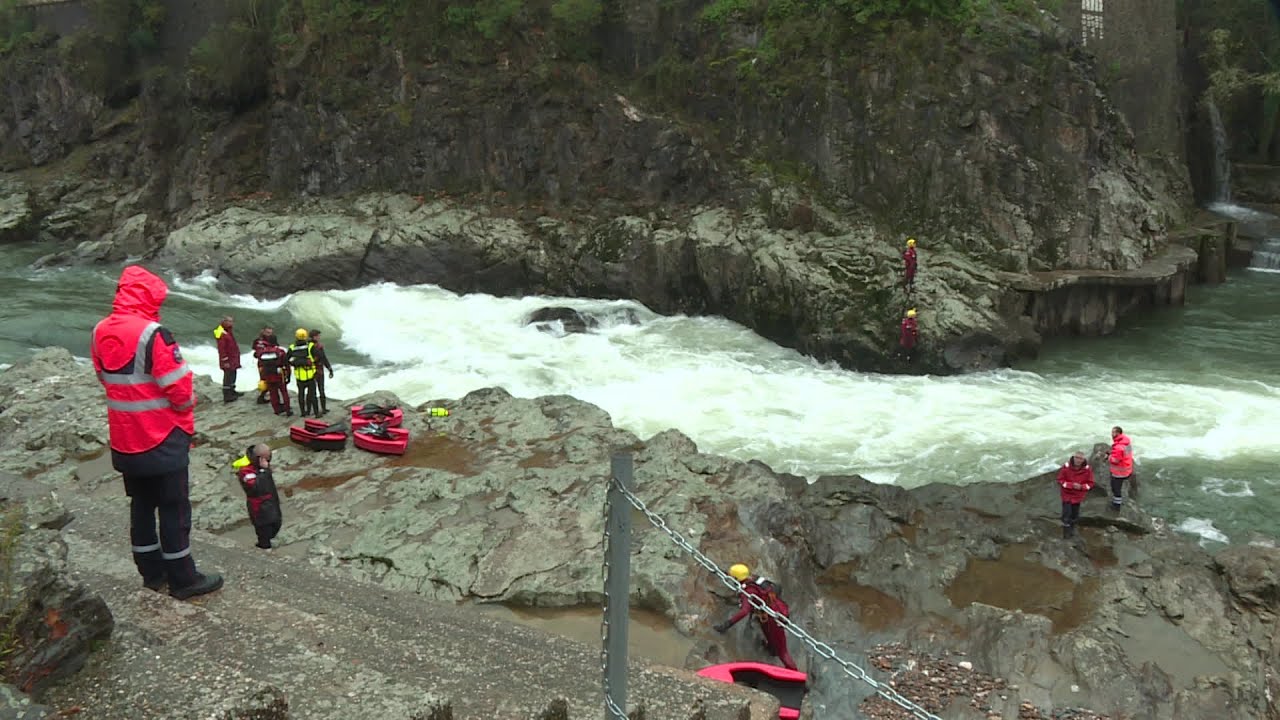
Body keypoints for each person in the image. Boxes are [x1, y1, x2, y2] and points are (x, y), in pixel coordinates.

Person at [91, 265, 223, 601]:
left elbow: (104, 378)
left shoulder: (100, 330)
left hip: (125, 439)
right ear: (150, 296)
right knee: (174, 507)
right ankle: (183, 578)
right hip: (161, 438)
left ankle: (151, 573)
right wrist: (187, 409)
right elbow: (179, 391)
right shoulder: (153, 334)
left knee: (141, 505)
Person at [713, 563, 798, 671]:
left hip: (775, 617)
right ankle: (772, 648)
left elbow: (744, 611)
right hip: (768, 613)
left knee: (783, 652)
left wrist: (727, 624)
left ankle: (795, 674)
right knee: (768, 632)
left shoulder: (748, 591)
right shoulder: (754, 578)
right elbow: (776, 587)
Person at [233, 444, 282, 550]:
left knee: (276, 524)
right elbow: (255, 487)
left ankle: (267, 543)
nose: (267, 461)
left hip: (271, 502)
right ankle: (263, 549)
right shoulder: (245, 471)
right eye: (265, 458)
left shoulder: (262, 467)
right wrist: (264, 471)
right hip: (259, 508)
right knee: (264, 532)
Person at [1056, 451, 1094, 539]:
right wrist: (1071, 485)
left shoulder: (1087, 470)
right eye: (1076, 457)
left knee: (1074, 514)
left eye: (1080, 458)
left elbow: (1090, 483)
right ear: (1073, 458)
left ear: (1083, 460)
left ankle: (1072, 526)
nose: (1077, 460)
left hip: (1078, 496)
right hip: (1067, 494)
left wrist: (1081, 487)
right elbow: (1060, 480)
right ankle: (1066, 531)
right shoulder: (1066, 467)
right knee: (1066, 514)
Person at [255, 330, 292, 416]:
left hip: (268, 375)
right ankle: (287, 410)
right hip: (279, 374)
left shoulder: (262, 352)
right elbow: (286, 364)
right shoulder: (280, 351)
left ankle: (277, 409)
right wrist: (288, 376)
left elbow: (260, 364)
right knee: (284, 392)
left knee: (273, 393)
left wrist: (262, 377)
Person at [288, 328, 320, 418]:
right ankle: (317, 413)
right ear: (306, 336)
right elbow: (318, 356)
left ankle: (303, 413)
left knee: (301, 395)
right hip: (310, 375)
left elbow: (287, 360)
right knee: (313, 395)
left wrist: (296, 362)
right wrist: (311, 362)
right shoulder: (310, 346)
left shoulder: (292, 347)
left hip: (299, 377)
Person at [214, 315, 242, 403]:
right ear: (224, 322)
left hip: (233, 357)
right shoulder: (221, 333)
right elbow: (221, 349)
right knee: (228, 376)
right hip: (228, 359)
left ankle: (232, 391)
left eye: (232, 321)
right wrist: (224, 360)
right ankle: (227, 395)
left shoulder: (228, 331)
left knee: (233, 374)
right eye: (229, 321)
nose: (231, 323)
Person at [1108, 426, 1135, 510]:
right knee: (1117, 487)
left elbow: (1115, 460)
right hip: (1127, 469)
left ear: (1118, 433)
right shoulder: (1126, 442)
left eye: (1113, 432)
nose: (1111, 434)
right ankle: (1117, 502)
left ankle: (1116, 505)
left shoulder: (1119, 447)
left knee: (1116, 488)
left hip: (1119, 473)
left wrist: (1109, 457)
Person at [309, 328, 334, 416]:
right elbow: (323, 358)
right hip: (317, 370)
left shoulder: (307, 345)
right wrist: (329, 368)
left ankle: (313, 410)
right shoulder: (316, 347)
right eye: (318, 336)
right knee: (320, 390)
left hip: (310, 370)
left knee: (313, 391)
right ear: (314, 337)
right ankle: (322, 409)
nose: (319, 337)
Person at [252, 326, 274, 404]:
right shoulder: (258, 341)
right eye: (268, 332)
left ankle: (266, 396)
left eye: (271, 333)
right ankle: (261, 397)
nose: (269, 334)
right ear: (263, 331)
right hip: (263, 364)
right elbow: (256, 352)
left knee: (270, 380)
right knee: (265, 380)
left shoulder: (272, 339)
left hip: (270, 363)